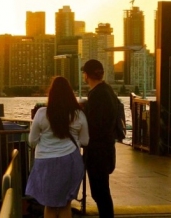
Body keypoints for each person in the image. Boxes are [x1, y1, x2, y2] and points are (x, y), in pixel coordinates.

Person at [25, 77, 89, 218]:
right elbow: (85, 141)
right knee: (66, 204)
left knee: (50, 205)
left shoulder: (42, 113)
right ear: (70, 93)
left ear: (51, 93)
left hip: (45, 162)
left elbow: (32, 140)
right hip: (71, 161)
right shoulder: (78, 114)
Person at [80, 59, 117, 218]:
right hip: (106, 148)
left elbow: (95, 124)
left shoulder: (97, 95)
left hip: (97, 151)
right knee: (102, 192)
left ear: (87, 75)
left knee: (100, 192)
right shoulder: (108, 91)